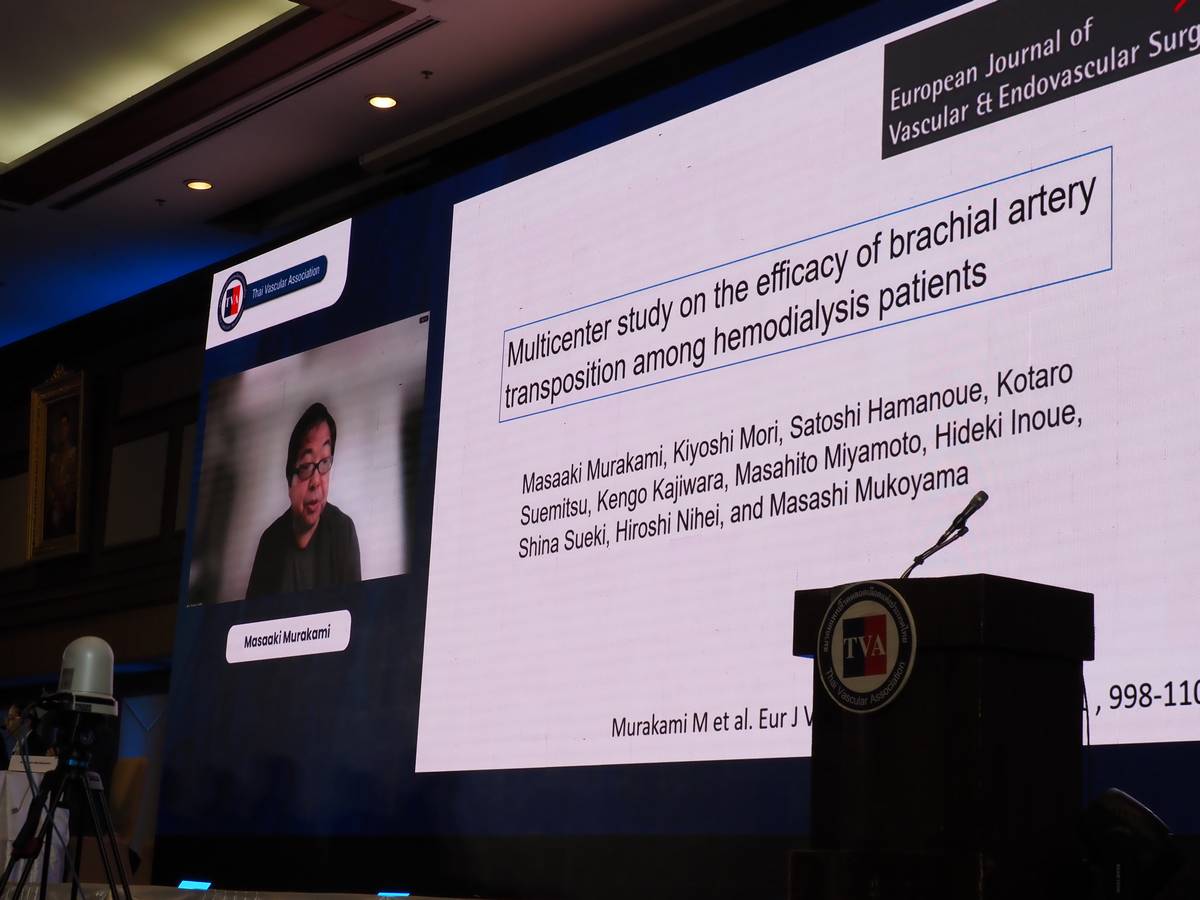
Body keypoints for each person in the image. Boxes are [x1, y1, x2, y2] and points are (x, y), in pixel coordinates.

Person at [246, 402, 361, 598]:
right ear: (289, 480)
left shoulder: (343, 531)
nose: (316, 481)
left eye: (324, 462)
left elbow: (354, 609)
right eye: (306, 466)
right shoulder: (270, 542)